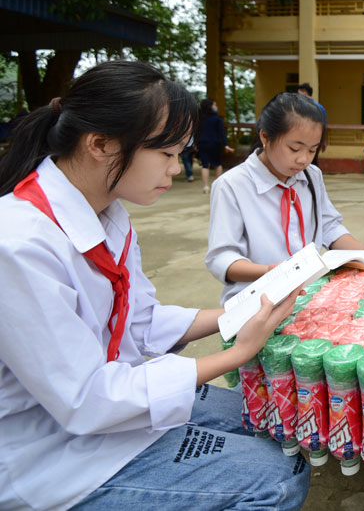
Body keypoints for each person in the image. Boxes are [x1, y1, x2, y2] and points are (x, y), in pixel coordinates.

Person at [0, 61, 308, 511]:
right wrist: (236, 353)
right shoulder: (19, 244)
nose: (175, 167)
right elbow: (86, 400)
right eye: (165, 154)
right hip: (50, 453)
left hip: (107, 414)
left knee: (270, 417)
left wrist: (244, 310)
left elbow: (139, 320)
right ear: (100, 144)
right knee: (279, 477)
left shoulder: (109, 216)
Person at [206, 92, 364, 305]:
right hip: (257, 303)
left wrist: (362, 250)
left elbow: (328, 226)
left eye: (312, 150)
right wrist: (270, 272)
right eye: (294, 149)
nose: (303, 159)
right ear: (265, 137)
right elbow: (222, 258)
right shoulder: (232, 185)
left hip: (307, 295)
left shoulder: (311, 175)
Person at [197, 98, 233, 194]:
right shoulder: (217, 118)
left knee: (205, 165)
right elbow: (222, 133)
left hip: (202, 143)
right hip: (215, 143)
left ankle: (206, 186)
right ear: (210, 107)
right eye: (214, 105)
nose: (216, 107)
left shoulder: (199, 118)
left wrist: (195, 144)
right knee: (217, 164)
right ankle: (218, 185)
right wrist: (226, 145)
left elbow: (196, 132)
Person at [296, 83, 326, 165]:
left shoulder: (318, 108)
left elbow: (322, 126)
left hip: (310, 138)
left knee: (311, 161)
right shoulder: (319, 107)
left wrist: (323, 141)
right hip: (310, 138)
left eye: (299, 94)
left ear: (304, 92)